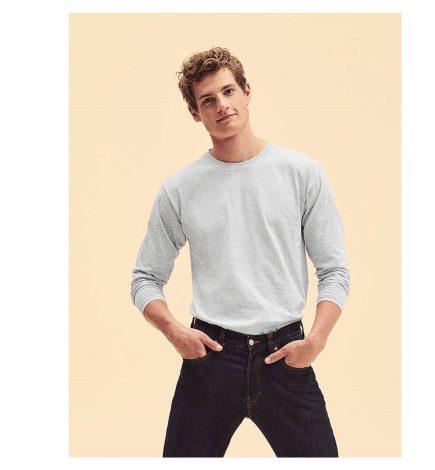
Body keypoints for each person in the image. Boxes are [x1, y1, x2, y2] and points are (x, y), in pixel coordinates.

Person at [130, 46, 350, 458]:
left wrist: (316, 340)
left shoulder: (301, 173)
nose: (222, 105)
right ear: (195, 113)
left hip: (285, 355)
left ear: (247, 91)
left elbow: (334, 270)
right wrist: (175, 332)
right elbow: (145, 279)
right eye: (207, 100)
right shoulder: (180, 189)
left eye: (228, 91)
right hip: (210, 357)